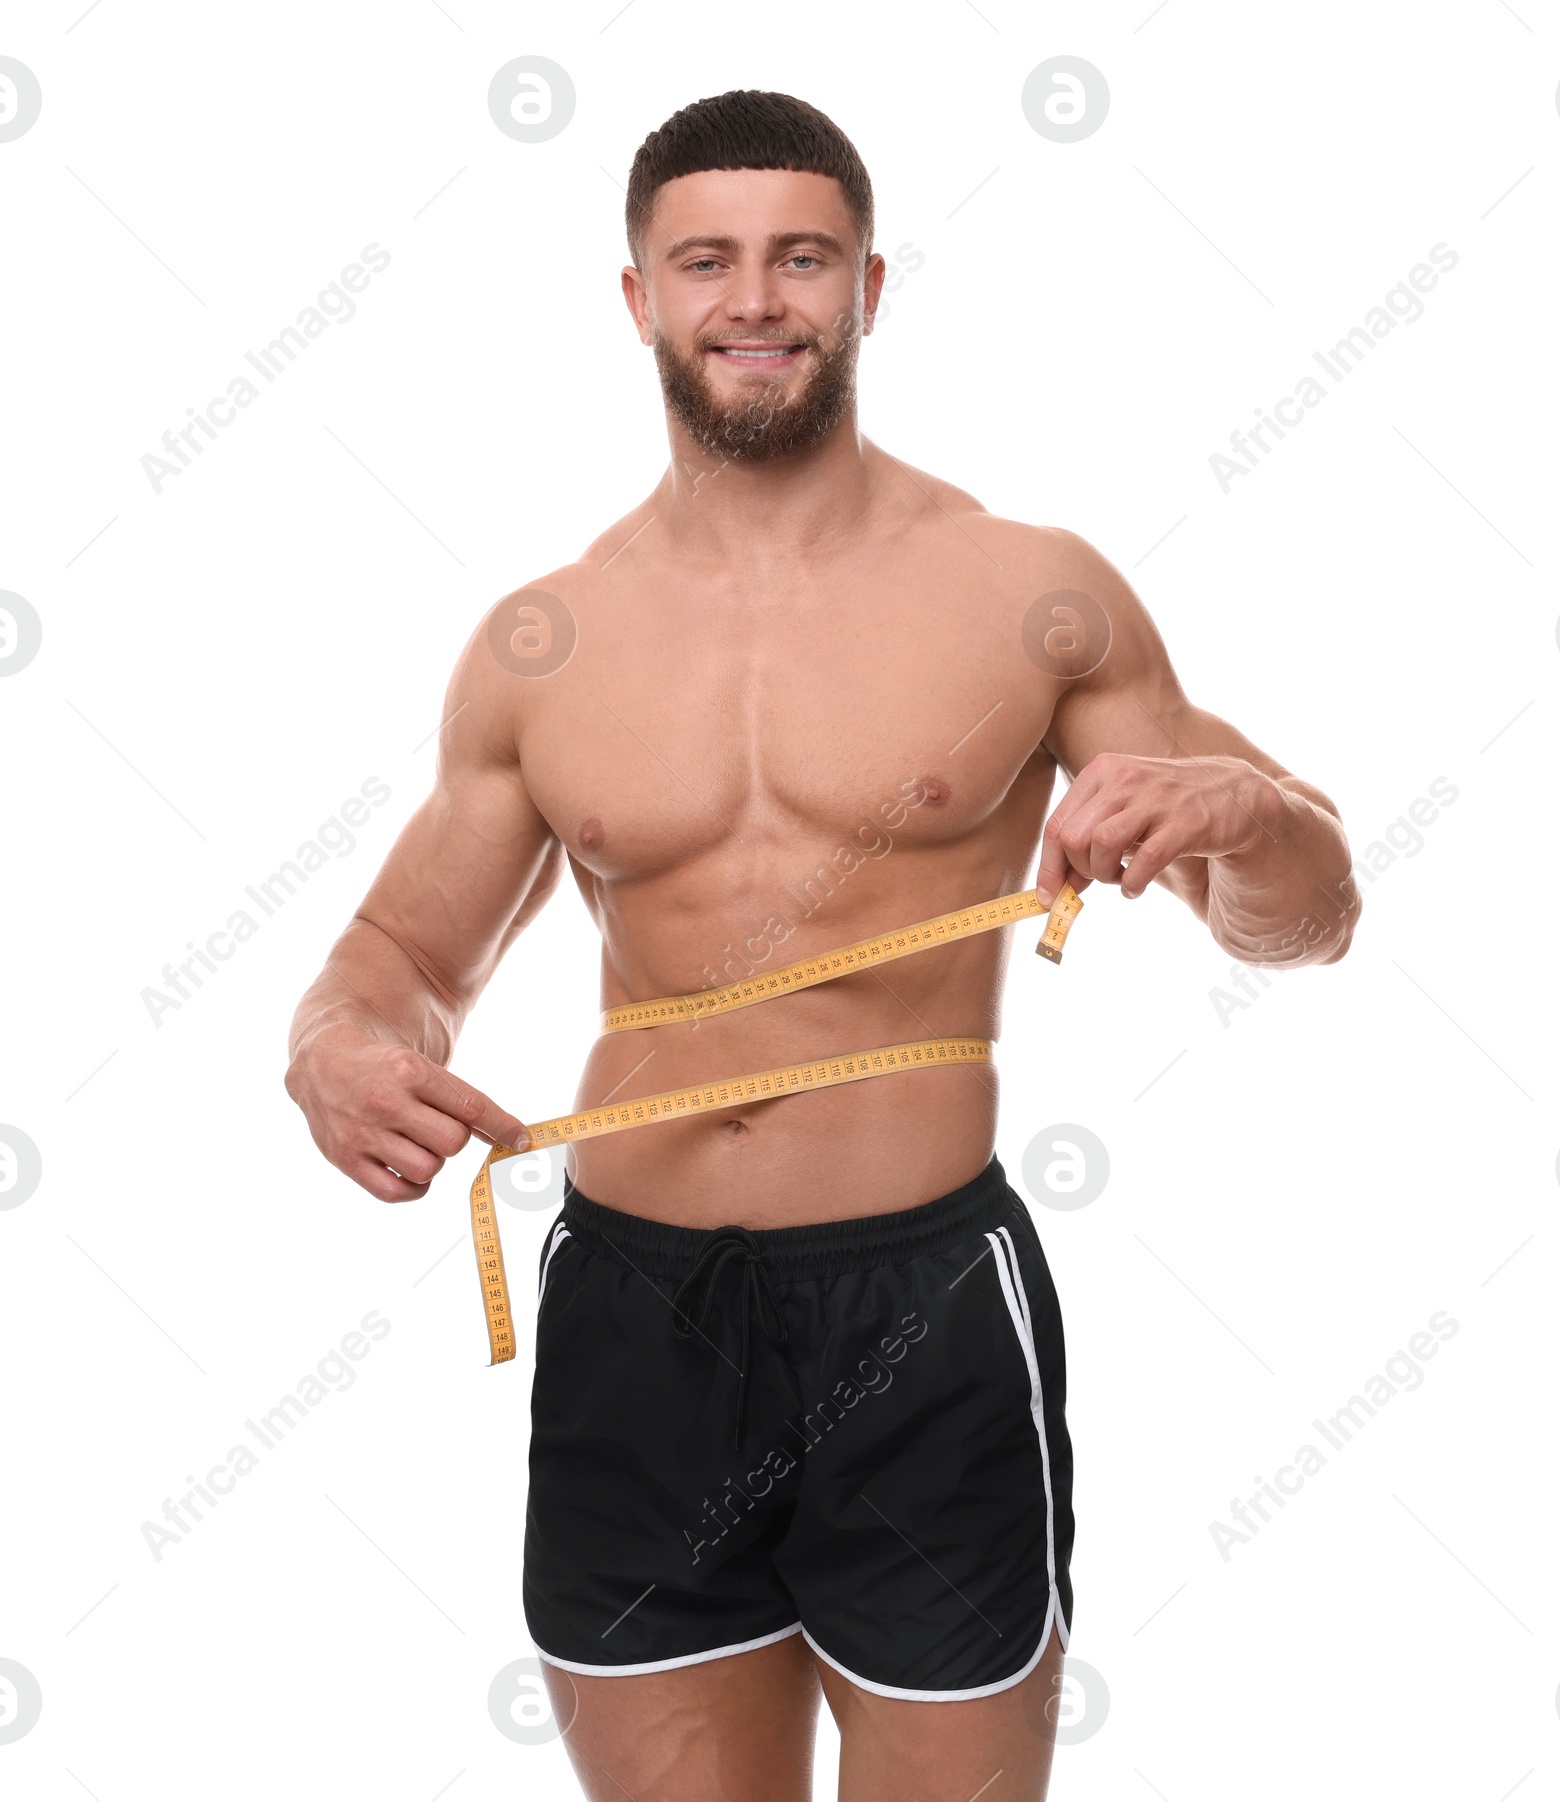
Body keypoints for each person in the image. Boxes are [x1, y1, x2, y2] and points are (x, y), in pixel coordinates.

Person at [285, 88, 1359, 1802]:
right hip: (634, 1311)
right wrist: (335, 1048)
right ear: (637, 297)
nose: (756, 299)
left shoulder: (1032, 592)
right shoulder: (540, 647)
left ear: (871, 283)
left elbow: (1308, 922)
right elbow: (399, 952)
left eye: (801, 256)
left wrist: (1246, 818)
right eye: (705, 260)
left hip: (917, 1302)